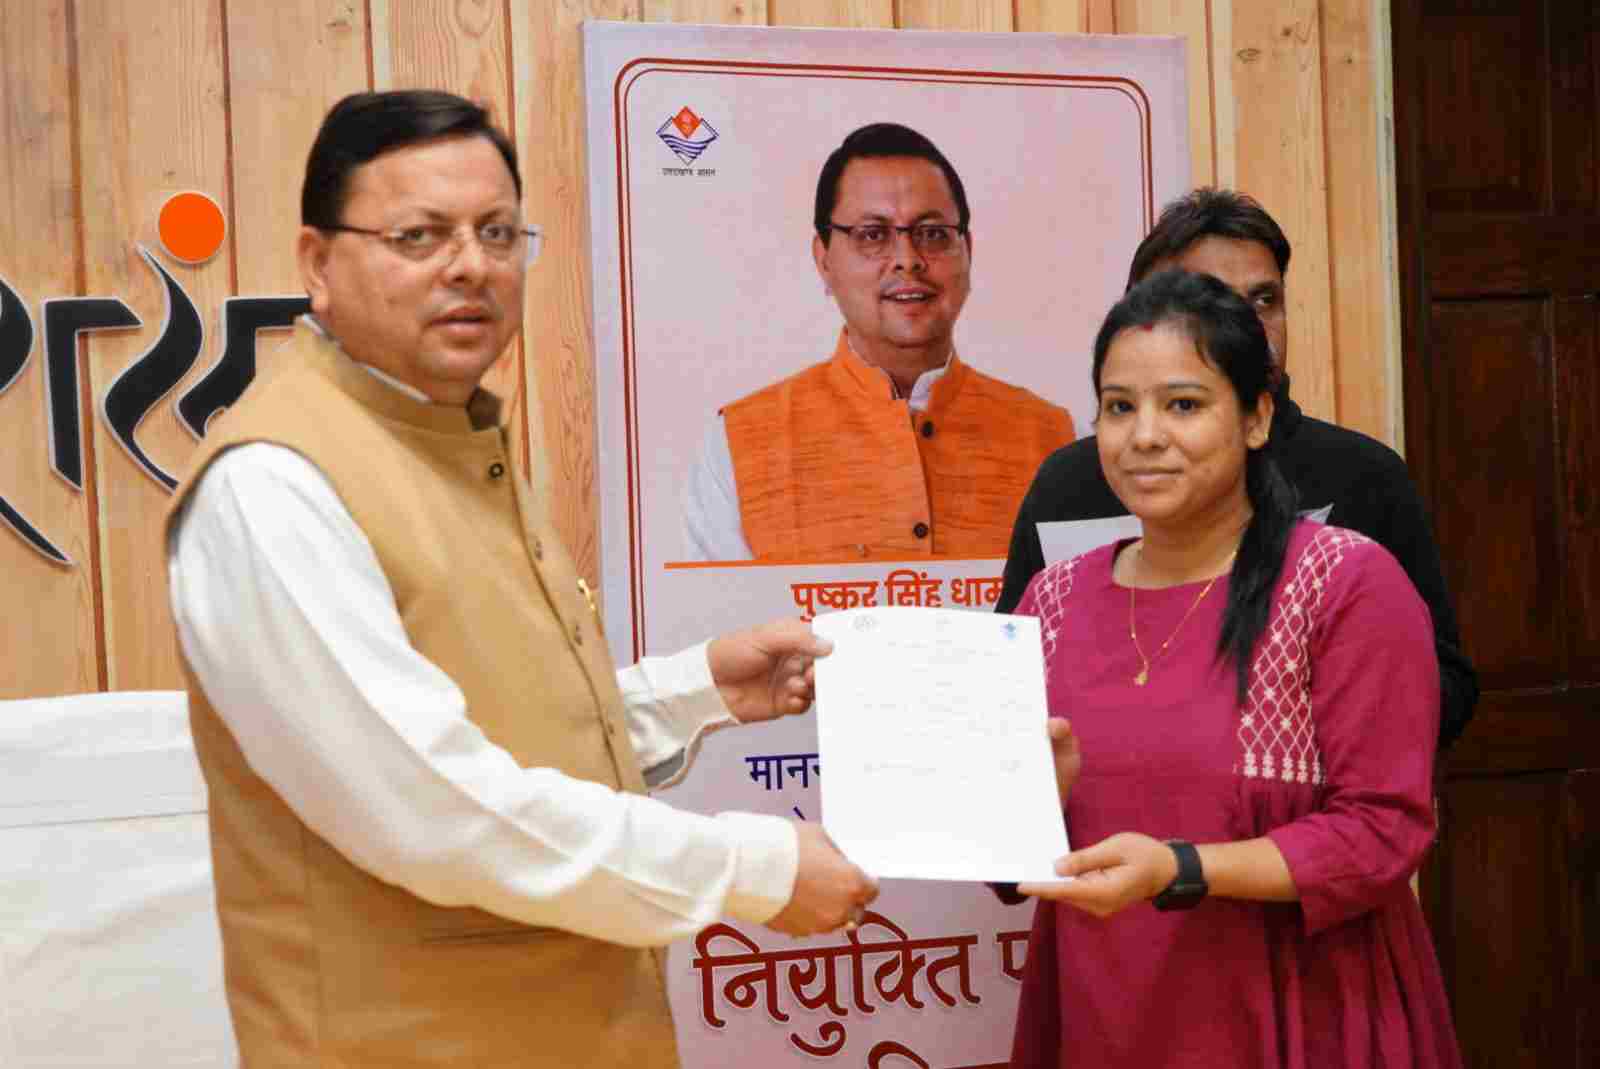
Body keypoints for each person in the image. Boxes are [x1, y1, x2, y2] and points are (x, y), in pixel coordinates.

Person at [163, 90, 878, 1068]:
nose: (471, 265)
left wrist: (696, 690)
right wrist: (751, 867)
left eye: (497, 232)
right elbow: (430, 806)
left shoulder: (452, 439)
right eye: (419, 235)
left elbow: (500, 732)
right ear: (318, 263)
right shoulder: (273, 484)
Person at [1007, 269, 1462, 1068]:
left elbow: (1383, 831)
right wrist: (1024, 807)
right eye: (1119, 406)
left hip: (1302, 1015)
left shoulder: (1345, 583)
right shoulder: (1051, 600)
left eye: (1183, 404)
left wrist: (1181, 867)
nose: (1144, 435)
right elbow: (1005, 858)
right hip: (1105, 1013)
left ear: (1256, 417)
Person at [997, 189, 1476, 750]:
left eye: (1265, 300)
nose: (1251, 325)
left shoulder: (1363, 477)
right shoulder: (1070, 486)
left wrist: (1289, 718)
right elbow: (1007, 686)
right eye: (1215, 302)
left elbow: (1446, 687)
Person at [682, 122, 1074, 562]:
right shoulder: (736, 449)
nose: (908, 260)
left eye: (933, 233)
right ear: (823, 259)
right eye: (872, 235)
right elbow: (722, 608)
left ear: (968, 250)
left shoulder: (1057, 443)